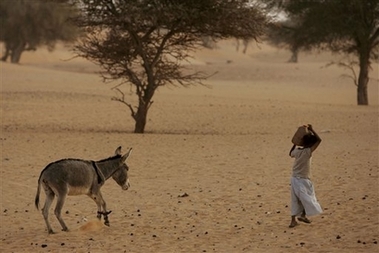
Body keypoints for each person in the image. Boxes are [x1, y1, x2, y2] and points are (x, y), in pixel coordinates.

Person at [288, 124, 323, 228]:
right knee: (307, 197)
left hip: (294, 179)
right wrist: (312, 129)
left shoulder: (297, 151)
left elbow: (290, 153)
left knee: (296, 199)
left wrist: (295, 143)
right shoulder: (308, 152)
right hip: (303, 179)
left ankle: (294, 220)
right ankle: (302, 215)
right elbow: (319, 140)